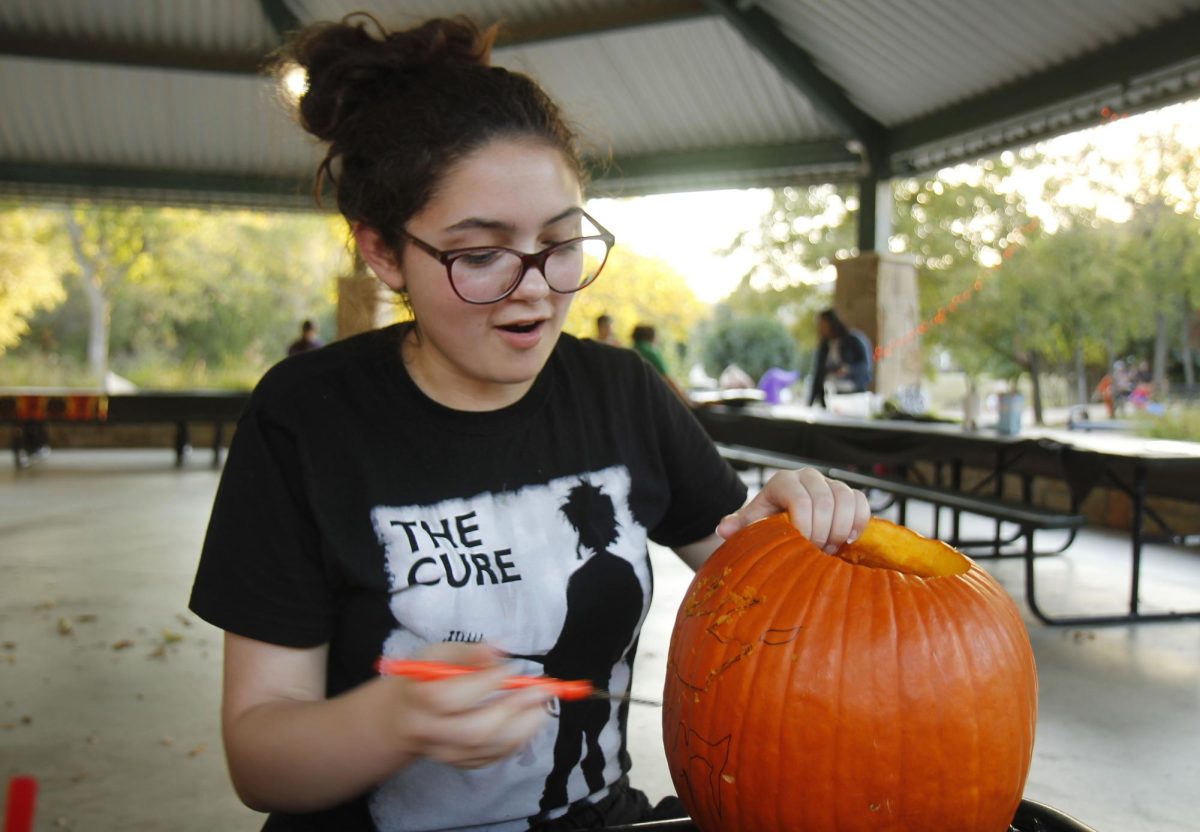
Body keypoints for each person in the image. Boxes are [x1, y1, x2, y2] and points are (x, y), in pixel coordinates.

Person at [188, 14, 869, 832]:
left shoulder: (622, 392)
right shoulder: (307, 418)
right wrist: (391, 719)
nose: (536, 288)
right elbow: (258, 758)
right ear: (382, 253)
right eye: (479, 255)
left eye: (562, 241)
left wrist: (778, 532)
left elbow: (747, 585)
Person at [807, 308, 872, 408]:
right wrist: (809, 404)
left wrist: (848, 369)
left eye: (822, 323)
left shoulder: (854, 340)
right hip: (830, 396)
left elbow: (865, 366)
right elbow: (818, 374)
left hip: (852, 396)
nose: (820, 327)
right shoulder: (824, 346)